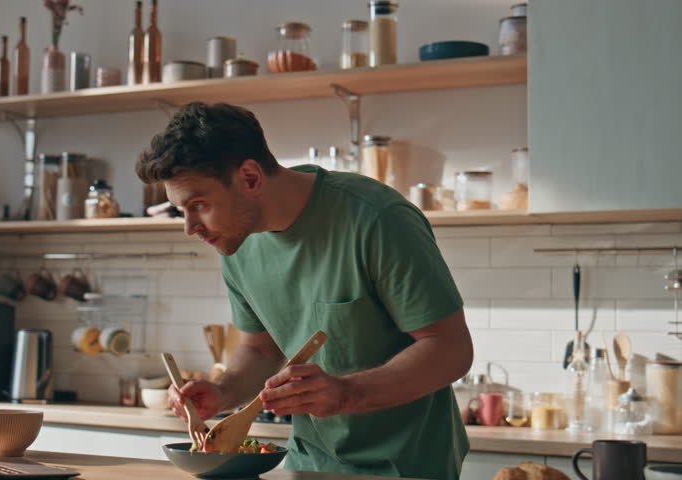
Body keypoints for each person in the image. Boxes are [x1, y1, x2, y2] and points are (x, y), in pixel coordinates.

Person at [136, 102, 473, 480]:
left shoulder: (377, 218)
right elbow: (261, 349)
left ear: (249, 177)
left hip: (407, 467)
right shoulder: (235, 240)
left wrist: (345, 393)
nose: (190, 227)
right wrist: (223, 391)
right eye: (182, 210)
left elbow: (451, 350)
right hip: (308, 465)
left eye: (198, 205)